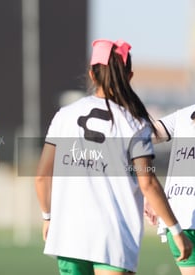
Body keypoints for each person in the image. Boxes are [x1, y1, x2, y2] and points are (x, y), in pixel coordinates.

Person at [35, 39, 192, 275]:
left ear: (91, 74)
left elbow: (41, 176)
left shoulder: (64, 116)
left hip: (68, 233)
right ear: (129, 76)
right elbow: (147, 182)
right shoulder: (134, 123)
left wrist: (48, 217)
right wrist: (175, 228)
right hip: (113, 237)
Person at [144, 105, 195, 275]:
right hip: (184, 219)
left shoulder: (183, 115)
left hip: (182, 216)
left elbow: (137, 140)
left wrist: (149, 191)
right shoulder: (183, 116)